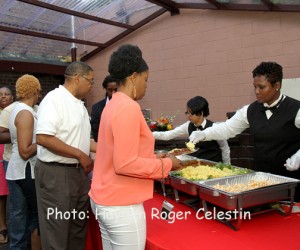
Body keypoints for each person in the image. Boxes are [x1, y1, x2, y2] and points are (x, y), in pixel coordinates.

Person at [89, 44, 182, 250]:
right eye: (145, 79)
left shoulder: (111, 104)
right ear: (133, 77)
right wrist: (167, 165)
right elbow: (125, 163)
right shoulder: (129, 107)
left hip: (103, 199)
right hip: (121, 205)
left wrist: (155, 158)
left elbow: (119, 152)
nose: (146, 85)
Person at [189, 62, 300, 201]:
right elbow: (227, 128)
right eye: (255, 87)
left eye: (261, 87)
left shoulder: (296, 109)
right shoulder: (250, 110)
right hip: (261, 182)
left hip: (291, 185)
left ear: (277, 86)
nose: (257, 91)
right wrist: (204, 133)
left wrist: (299, 155)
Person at [35, 61, 96, 250]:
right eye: (91, 81)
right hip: (57, 174)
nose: (92, 86)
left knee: (77, 229)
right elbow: (43, 137)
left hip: (78, 175)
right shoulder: (54, 99)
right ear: (78, 79)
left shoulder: (79, 105)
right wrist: (80, 154)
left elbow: (86, 141)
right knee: (57, 232)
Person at [6, 75, 41, 249]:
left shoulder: (19, 109)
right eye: (39, 91)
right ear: (34, 90)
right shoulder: (25, 113)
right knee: (36, 215)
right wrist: (45, 139)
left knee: (20, 214)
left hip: (18, 170)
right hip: (26, 169)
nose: (40, 95)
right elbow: (25, 151)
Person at [153, 96, 231, 164]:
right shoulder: (188, 125)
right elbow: (168, 135)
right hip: (196, 166)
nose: (188, 116)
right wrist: (150, 134)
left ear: (201, 113)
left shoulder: (215, 127)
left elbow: (225, 148)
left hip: (214, 166)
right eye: (187, 113)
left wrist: (227, 166)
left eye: (190, 113)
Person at [0, 86, 13, 244]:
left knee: (15, 196)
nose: (3, 97)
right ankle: (2, 226)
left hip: (11, 156)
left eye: (6, 94)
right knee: (1, 194)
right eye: (0, 95)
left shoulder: (14, 111)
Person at [90, 75, 117, 141]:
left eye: (116, 90)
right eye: (110, 90)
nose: (113, 93)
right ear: (105, 89)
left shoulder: (127, 106)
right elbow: (96, 133)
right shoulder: (97, 108)